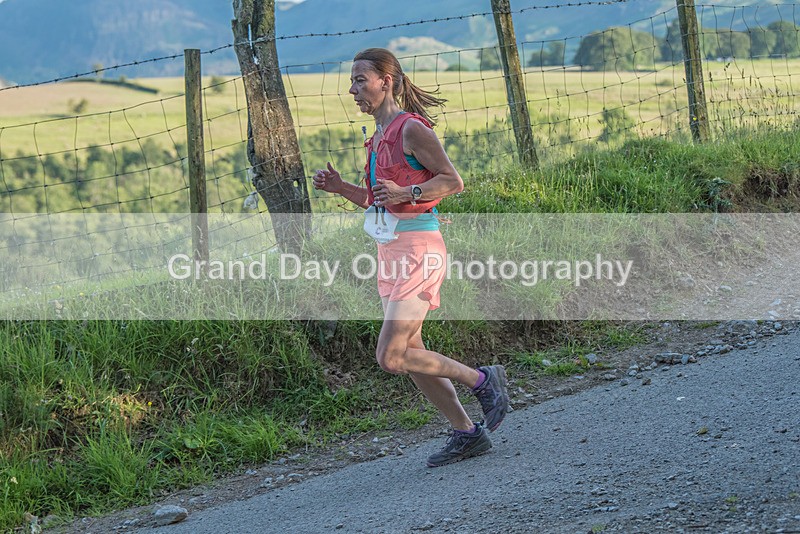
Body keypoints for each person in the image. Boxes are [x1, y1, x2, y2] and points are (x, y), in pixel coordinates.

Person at [312, 48, 509, 467]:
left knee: (390, 355)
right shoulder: (377, 138)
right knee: (411, 352)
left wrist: (410, 193)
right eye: (351, 82)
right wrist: (341, 188)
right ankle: (466, 433)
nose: (352, 89)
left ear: (387, 81)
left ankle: (482, 379)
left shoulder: (410, 130)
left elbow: (453, 182)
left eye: (360, 80)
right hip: (391, 252)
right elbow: (379, 201)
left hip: (419, 250)